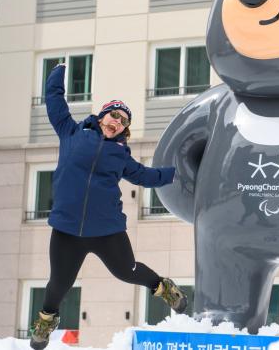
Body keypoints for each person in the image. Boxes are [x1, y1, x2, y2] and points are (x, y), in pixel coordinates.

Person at [29, 63, 186, 350]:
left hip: (106, 231)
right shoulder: (71, 133)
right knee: (59, 283)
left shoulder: (121, 156)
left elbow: (146, 176)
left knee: (127, 271)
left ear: (124, 129)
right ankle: (45, 322)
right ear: (102, 115)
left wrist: (177, 173)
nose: (117, 122)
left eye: (124, 121)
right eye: (114, 115)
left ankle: (164, 287)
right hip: (67, 230)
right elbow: (54, 102)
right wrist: (58, 71)